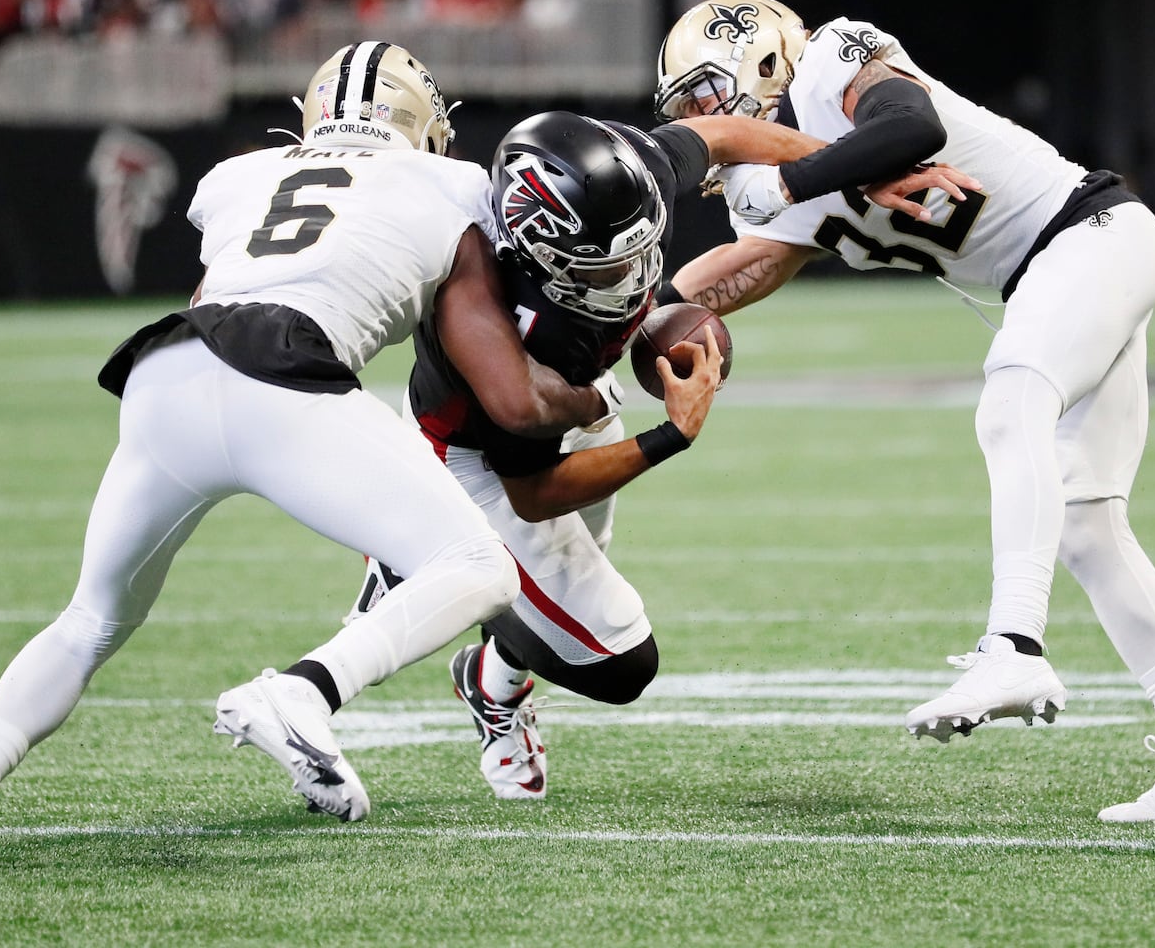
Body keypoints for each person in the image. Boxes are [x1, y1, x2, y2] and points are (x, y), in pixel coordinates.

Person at [0, 40, 621, 874]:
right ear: (421, 125)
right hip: (284, 376)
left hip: (167, 371)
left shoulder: (240, 175)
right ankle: (300, 690)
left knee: (88, 620)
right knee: (480, 565)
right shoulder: (457, 186)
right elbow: (505, 388)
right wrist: (593, 398)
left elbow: (216, 297)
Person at [651, 0, 1155, 822]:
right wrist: (644, 310)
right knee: (1088, 523)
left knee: (1012, 399)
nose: (700, 121)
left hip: (1089, 236)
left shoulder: (834, 57)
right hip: (1061, 273)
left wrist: (794, 175)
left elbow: (909, 130)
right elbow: (754, 262)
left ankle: (1013, 646)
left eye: (704, 94)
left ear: (760, 62)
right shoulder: (767, 184)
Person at [353, 110, 975, 799]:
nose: (633, 273)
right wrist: (668, 436)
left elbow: (722, 134)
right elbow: (533, 489)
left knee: (567, 589)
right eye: (611, 260)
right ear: (540, 252)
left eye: (636, 250)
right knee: (618, 663)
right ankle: (423, 552)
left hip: (576, 401)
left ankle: (491, 682)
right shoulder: (511, 324)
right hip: (481, 465)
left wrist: (853, 175)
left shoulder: (624, 180)